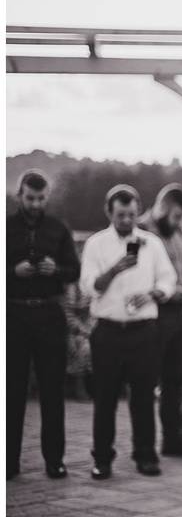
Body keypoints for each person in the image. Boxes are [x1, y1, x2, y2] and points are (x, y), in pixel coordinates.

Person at [79, 185, 177, 479]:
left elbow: (168, 278)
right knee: (105, 398)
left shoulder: (152, 243)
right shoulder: (96, 244)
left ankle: (145, 455)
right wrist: (116, 268)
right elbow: (89, 287)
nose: (127, 220)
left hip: (143, 331)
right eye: (121, 215)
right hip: (108, 331)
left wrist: (154, 294)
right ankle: (102, 459)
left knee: (144, 397)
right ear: (109, 213)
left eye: (132, 214)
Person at [7, 170, 81, 480]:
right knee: (11, 391)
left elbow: (74, 270)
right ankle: (8, 461)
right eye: (30, 198)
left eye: (40, 199)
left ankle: (55, 460)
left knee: (53, 389)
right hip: (13, 314)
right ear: (19, 196)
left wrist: (56, 269)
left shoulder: (58, 228)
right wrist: (13, 271)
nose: (35, 204)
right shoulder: (4, 228)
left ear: (46, 197)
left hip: (50, 315)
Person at [138, 183, 182, 458]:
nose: (179, 222)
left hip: (178, 312)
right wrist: (172, 289)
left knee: (175, 378)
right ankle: (144, 446)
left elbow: (181, 268)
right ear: (163, 206)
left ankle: (172, 438)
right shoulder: (140, 231)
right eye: (177, 216)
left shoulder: (176, 231)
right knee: (146, 379)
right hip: (154, 313)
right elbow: (140, 275)